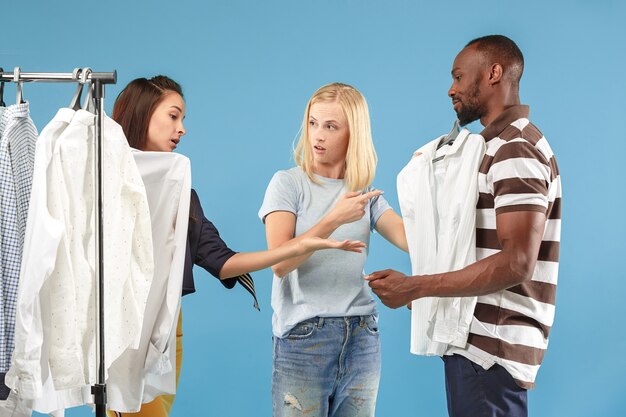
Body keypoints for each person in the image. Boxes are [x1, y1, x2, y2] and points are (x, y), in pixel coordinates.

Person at [108, 76, 365, 417]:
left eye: (182, 119)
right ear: (142, 114)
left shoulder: (181, 194)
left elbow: (223, 261)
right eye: (173, 116)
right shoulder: (102, 182)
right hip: (121, 328)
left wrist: (298, 245)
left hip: (167, 331)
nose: (181, 129)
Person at [366, 35, 562, 417]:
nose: (450, 89)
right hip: (479, 349)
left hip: (490, 351)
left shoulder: (515, 147)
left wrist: (417, 287)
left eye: (458, 77)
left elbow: (518, 261)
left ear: (493, 73)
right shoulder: (490, 147)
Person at [259, 82, 408, 417]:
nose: (318, 136)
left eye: (330, 126)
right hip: (304, 338)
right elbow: (280, 263)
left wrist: (424, 181)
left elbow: (409, 239)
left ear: (353, 134)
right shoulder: (288, 184)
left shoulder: (361, 192)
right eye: (313, 123)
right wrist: (333, 219)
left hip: (361, 336)